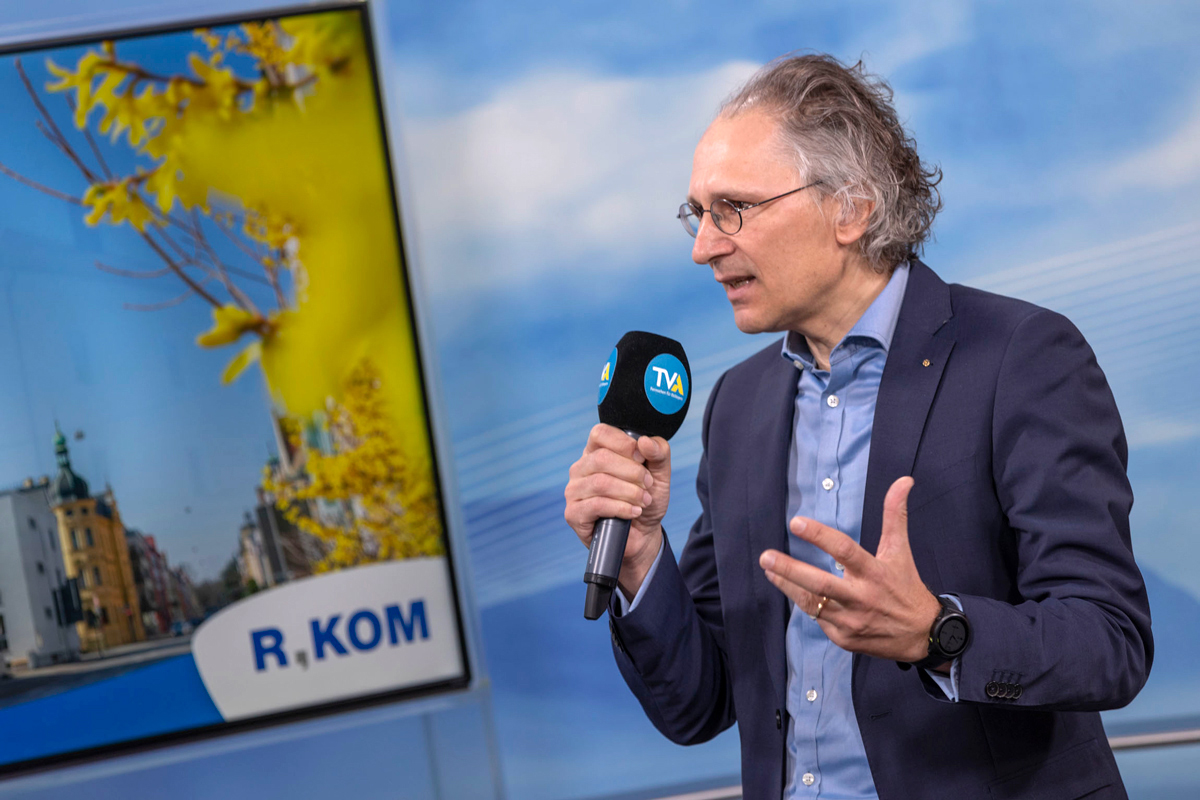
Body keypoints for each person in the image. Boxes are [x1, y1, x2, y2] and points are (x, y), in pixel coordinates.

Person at [563, 54, 1152, 800]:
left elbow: (1109, 643)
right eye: (698, 213)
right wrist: (643, 557)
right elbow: (700, 703)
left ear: (851, 208)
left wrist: (938, 633)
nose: (704, 246)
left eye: (732, 209)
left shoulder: (1021, 358)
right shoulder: (739, 406)